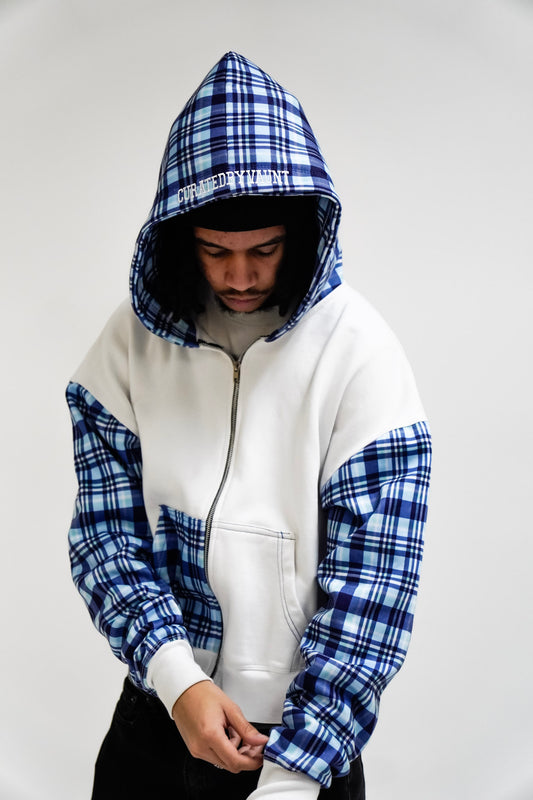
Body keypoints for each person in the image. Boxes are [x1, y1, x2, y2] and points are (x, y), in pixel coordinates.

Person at [67, 52, 432, 800]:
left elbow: (376, 589)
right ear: (181, 239)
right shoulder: (127, 346)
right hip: (159, 719)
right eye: (215, 251)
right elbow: (105, 538)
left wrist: (292, 776)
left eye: (264, 249)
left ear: (301, 232)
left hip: (302, 740)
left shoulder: (360, 354)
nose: (239, 276)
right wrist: (179, 681)